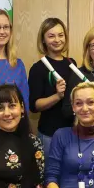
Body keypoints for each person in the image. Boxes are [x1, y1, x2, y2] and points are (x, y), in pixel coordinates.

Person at [28, 18, 77, 155]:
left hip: (72, 131)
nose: (57, 40)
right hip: (50, 134)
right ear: (43, 39)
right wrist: (57, 96)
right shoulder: (38, 68)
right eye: (51, 36)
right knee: (51, 175)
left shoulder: (71, 63)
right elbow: (34, 106)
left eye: (60, 35)